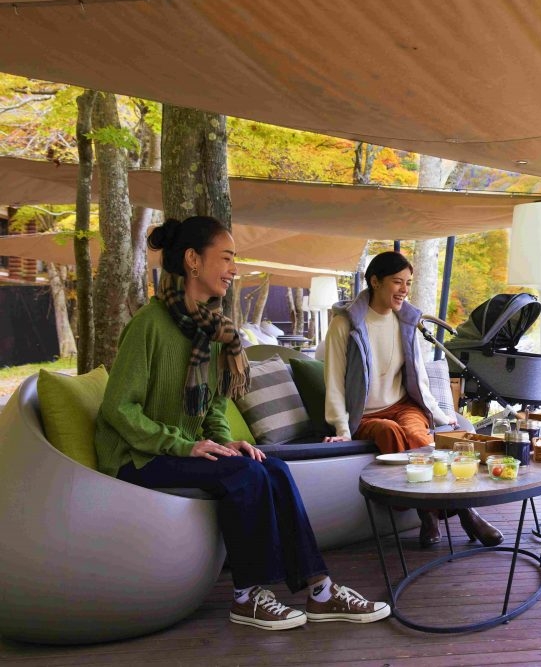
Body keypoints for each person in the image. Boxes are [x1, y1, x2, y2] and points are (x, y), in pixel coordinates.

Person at [94, 216, 390, 632]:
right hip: (136, 456)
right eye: (227, 258)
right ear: (193, 260)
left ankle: (321, 591)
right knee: (244, 474)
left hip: (179, 449)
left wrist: (225, 441)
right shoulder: (149, 324)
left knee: (273, 467)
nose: (234, 269)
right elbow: (118, 408)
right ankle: (247, 596)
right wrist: (184, 446)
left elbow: (213, 405)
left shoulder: (215, 330)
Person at [323, 251, 503, 549]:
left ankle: (462, 511)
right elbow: (334, 382)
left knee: (419, 437)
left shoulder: (405, 322)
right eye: (397, 282)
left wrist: (440, 414)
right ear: (375, 281)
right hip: (364, 415)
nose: (404, 290)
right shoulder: (345, 325)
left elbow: (418, 376)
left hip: (403, 405)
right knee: (390, 432)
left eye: (408, 283)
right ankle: (432, 513)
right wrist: (342, 430)